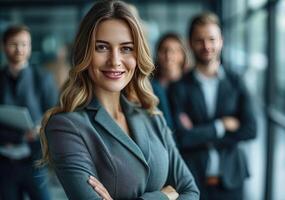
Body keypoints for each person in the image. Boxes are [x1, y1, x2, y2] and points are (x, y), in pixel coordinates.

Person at [40, 1, 199, 200]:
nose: (115, 60)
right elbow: (180, 192)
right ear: (85, 54)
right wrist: (164, 196)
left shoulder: (152, 116)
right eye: (102, 47)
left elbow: (191, 192)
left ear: (137, 54)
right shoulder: (66, 126)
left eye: (126, 48)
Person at [168, 12, 257, 200]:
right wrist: (221, 126)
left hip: (233, 178)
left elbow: (251, 129)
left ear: (221, 41)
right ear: (190, 43)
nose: (206, 46)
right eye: (199, 40)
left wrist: (199, 134)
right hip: (193, 180)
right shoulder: (179, 87)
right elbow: (181, 138)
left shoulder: (236, 82)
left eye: (211, 39)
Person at [0, 25, 58, 200]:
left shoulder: (43, 77)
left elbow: (54, 115)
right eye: (14, 44)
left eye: (24, 44)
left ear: (30, 47)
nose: (19, 49)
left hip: (35, 160)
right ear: (3, 46)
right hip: (4, 164)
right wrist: (19, 137)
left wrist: (39, 127)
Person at [151, 33, 187, 129]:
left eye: (174, 51)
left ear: (183, 54)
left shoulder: (190, 84)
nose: (168, 55)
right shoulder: (151, 86)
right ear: (157, 53)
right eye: (164, 50)